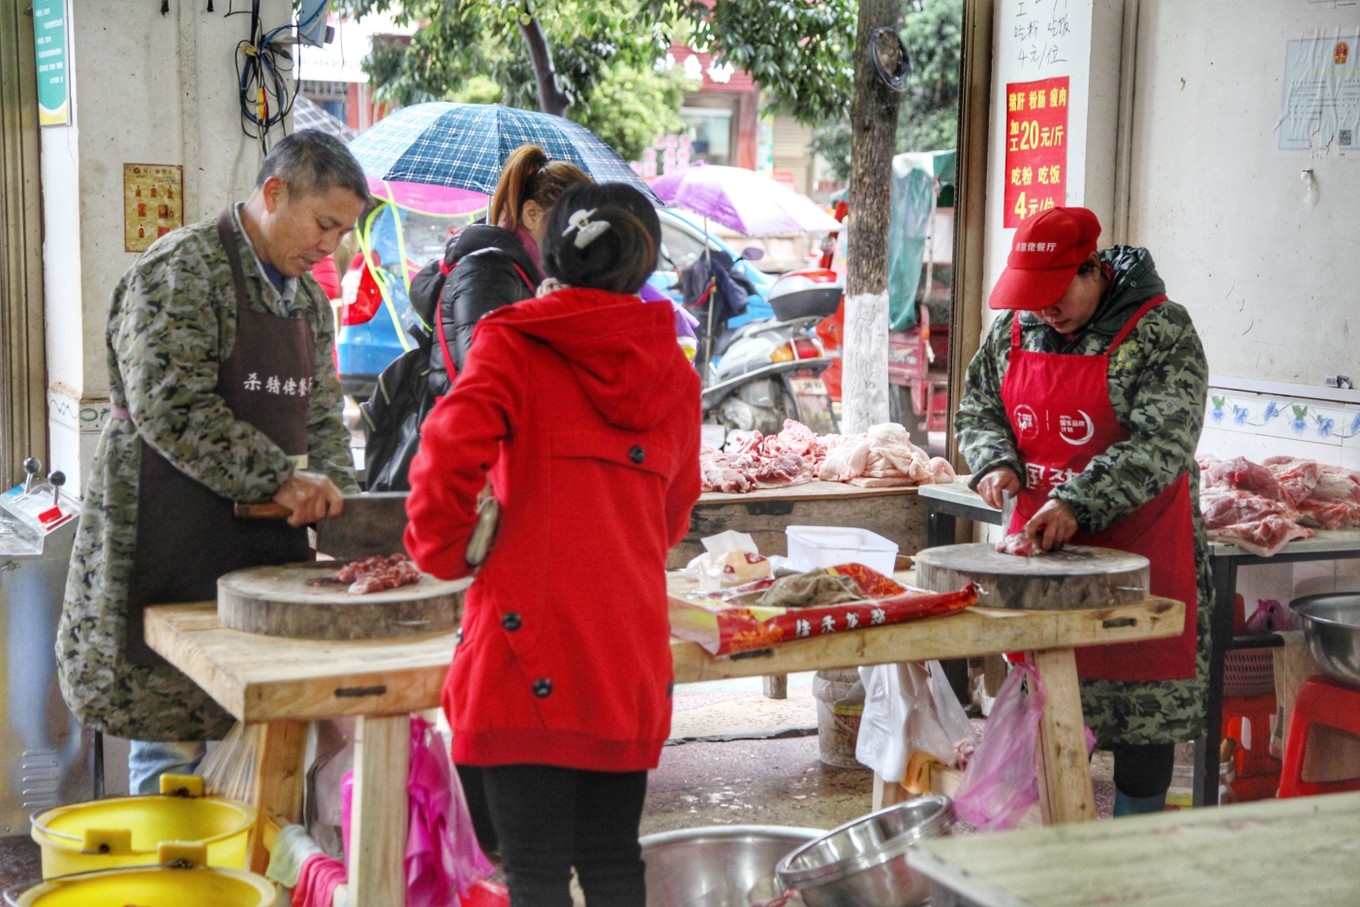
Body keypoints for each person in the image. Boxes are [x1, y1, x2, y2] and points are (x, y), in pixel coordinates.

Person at [404, 182, 702, 906]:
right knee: (611, 862)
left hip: (522, 647)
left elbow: (444, 455)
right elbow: (674, 512)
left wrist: (445, 552)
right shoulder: (674, 366)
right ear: (644, 264)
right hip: (623, 651)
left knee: (533, 872)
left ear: (550, 254)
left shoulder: (514, 340)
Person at [56, 130, 368, 794]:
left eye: (343, 232)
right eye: (324, 223)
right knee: (173, 750)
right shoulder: (181, 269)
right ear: (275, 192)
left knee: (258, 750)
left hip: (260, 557)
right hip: (167, 545)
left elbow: (321, 414)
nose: (330, 246)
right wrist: (281, 478)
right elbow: (170, 405)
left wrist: (343, 505)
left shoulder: (307, 300)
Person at [954, 206, 1214, 817]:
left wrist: (1075, 502)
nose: (1044, 309)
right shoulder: (1016, 330)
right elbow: (978, 408)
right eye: (1032, 296)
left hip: (1142, 559)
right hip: (1039, 560)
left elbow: (1163, 444)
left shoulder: (1161, 331)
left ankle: (1130, 858)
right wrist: (995, 462)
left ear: (1094, 268)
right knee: (1043, 715)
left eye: (1056, 293)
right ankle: (1050, 860)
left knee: (1141, 727)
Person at [421, 143, 591, 395]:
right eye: (570, 222)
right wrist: (549, 317)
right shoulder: (487, 271)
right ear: (531, 214)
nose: (576, 235)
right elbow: (486, 377)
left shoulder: (538, 271)